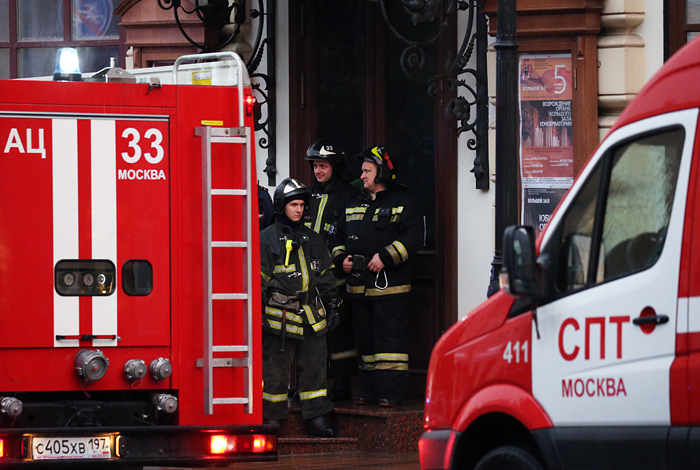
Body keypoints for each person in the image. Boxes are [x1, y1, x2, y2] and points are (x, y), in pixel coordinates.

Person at [330, 145, 421, 407]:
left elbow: (413, 237)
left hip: (390, 289)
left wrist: (385, 257)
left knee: (389, 343)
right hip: (358, 287)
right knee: (365, 342)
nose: (362, 176)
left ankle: (390, 393)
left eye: (367, 171)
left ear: (381, 172)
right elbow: (337, 237)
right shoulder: (353, 202)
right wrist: (341, 260)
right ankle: (369, 391)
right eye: (362, 171)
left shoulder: (403, 201)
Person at [260, 177, 341, 437]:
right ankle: (272, 419)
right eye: (293, 205)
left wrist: (333, 306)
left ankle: (317, 418)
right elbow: (257, 279)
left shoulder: (313, 238)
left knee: (316, 370)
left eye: (302, 205)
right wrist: (258, 314)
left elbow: (326, 275)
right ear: (281, 206)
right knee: (275, 371)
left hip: (311, 316)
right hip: (279, 317)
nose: (299, 209)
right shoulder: (267, 239)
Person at [303, 139, 360, 402]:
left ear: (335, 166)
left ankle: (342, 383)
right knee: (311, 333)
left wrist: (338, 261)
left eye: (323, 166)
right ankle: (313, 384)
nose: (318, 171)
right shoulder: (308, 195)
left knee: (340, 332)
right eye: (315, 166)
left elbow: (351, 233)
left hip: (335, 277)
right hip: (309, 278)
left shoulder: (348, 195)